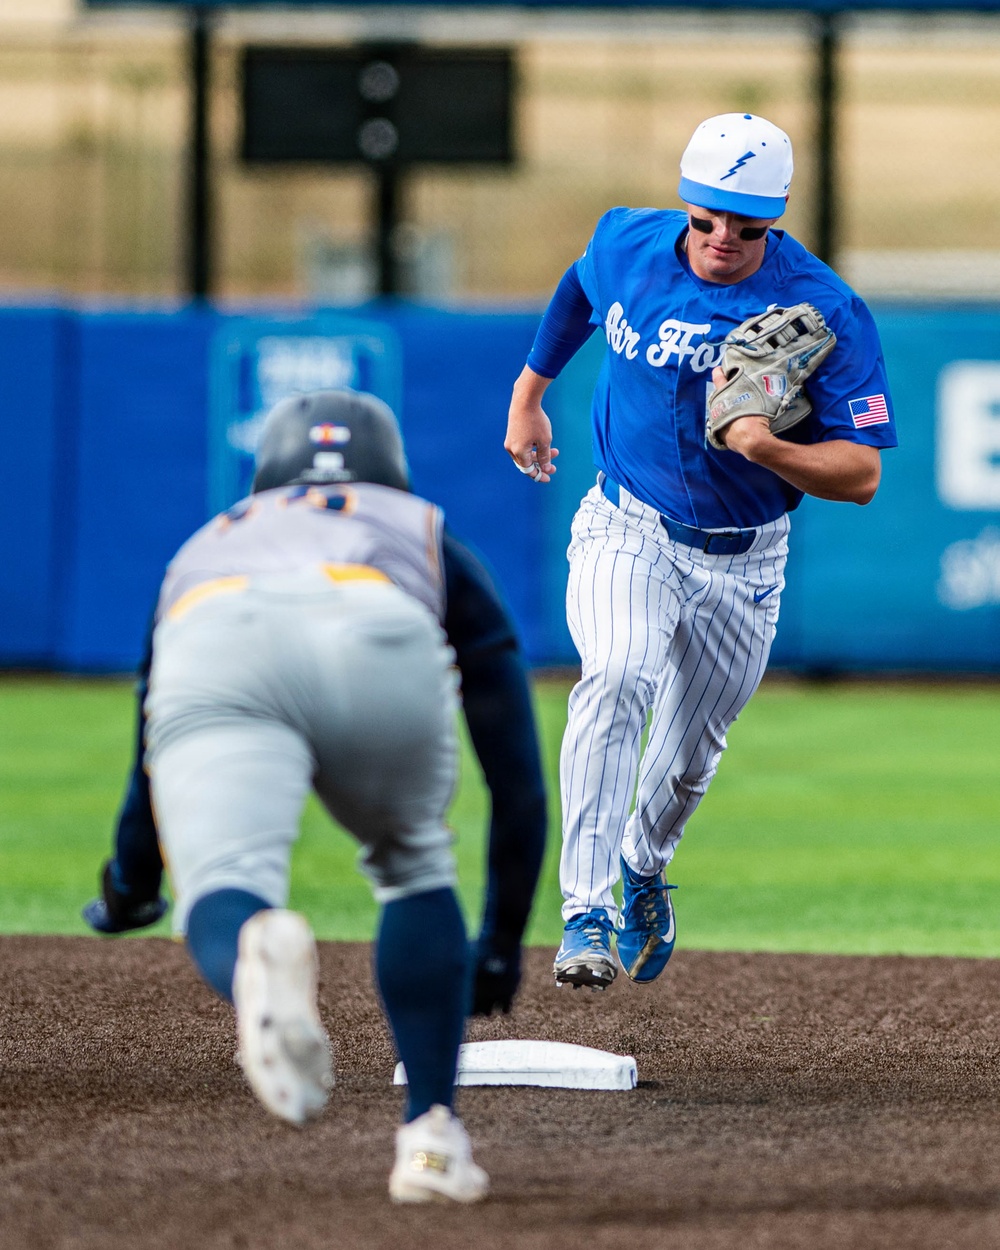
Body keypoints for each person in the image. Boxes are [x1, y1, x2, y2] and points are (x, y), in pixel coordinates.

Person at [88, 388, 547, 1203]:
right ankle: (432, 1141)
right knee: (411, 863)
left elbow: (146, 765)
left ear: (264, 469)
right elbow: (512, 766)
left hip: (217, 631)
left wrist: (130, 888)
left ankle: (254, 948)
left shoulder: (207, 542)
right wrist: (501, 940)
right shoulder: (423, 527)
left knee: (225, 889)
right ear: (391, 467)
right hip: (373, 620)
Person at [504, 112, 897, 992]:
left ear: (777, 220)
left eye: (746, 227)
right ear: (686, 205)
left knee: (687, 758)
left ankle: (644, 867)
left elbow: (862, 473)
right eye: (706, 218)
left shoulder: (824, 308)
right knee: (616, 677)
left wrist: (767, 447)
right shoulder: (630, 243)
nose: (721, 240)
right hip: (626, 524)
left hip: (745, 559)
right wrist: (531, 391)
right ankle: (585, 911)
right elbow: (578, 286)